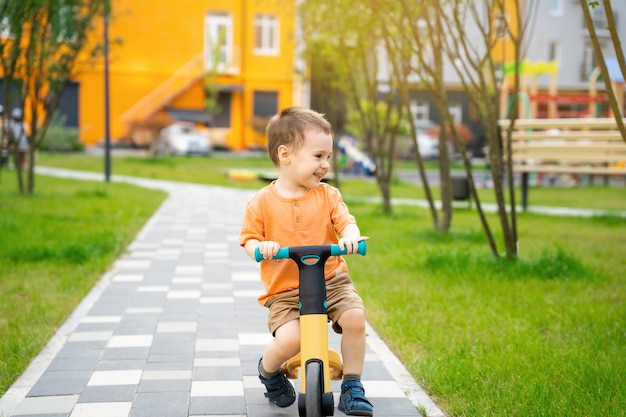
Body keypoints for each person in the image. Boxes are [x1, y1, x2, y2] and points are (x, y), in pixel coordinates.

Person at [239, 107, 374, 416]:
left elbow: (346, 222)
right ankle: (269, 370)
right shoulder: (261, 202)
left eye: (328, 157)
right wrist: (263, 247)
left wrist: (350, 237)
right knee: (290, 340)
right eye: (317, 156)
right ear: (285, 155)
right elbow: (249, 240)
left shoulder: (328, 196)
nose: (325, 165)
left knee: (354, 318)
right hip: (285, 289)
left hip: (331, 278)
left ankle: (352, 385)